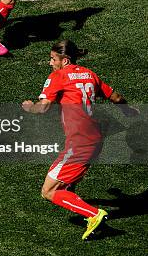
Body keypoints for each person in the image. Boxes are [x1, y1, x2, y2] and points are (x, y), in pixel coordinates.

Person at [22, 40, 137, 240]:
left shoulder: (58, 76)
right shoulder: (89, 74)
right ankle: (76, 199)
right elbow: (116, 98)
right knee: (65, 183)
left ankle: (94, 214)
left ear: (65, 60)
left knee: (48, 191)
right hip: (95, 138)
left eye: (53, 59)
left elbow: (43, 107)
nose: (50, 63)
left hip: (80, 143)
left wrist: (29, 106)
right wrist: (128, 110)